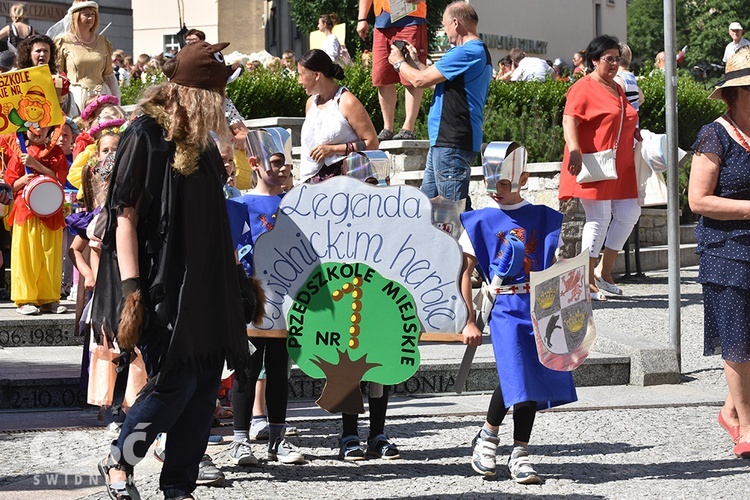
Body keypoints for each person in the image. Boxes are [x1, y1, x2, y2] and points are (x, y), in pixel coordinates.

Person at [92, 40, 256, 500]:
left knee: (204, 390)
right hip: (163, 283)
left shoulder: (202, 145)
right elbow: (124, 216)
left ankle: (180, 487)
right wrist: (132, 292)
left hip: (207, 285)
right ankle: (120, 461)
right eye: (218, 94)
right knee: (172, 384)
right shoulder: (144, 134)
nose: (224, 102)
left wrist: (235, 279)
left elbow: (211, 221)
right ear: (198, 94)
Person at [459, 143, 577, 484]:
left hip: (540, 307)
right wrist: (469, 318)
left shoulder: (545, 217)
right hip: (504, 308)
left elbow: (564, 266)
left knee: (531, 377)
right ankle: (489, 438)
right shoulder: (480, 221)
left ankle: (519, 450)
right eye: (492, 183)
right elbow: (464, 272)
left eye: (506, 183)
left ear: (523, 178)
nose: (497, 191)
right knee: (517, 372)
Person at [227, 130, 304, 466]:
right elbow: (232, 251)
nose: (283, 168)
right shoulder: (239, 204)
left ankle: (278, 438)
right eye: (275, 162)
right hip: (251, 299)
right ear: (255, 163)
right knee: (247, 370)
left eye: (285, 162)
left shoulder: (296, 205)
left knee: (278, 369)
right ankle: (240, 440)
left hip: (286, 300)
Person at [688, 48, 750, 459]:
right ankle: (746, 425)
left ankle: (730, 409)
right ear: (737, 93)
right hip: (726, 251)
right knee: (739, 340)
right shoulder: (715, 134)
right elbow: (698, 200)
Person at [388, 1, 492, 209]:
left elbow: (419, 81)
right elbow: (433, 79)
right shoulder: (474, 51)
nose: (445, 32)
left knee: (451, 213)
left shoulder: (466, 51)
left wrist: (399, 63)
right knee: (429, 210)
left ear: (455, 22)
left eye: (444, 26)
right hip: (446, 141)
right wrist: (416, 63)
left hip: (451, 141)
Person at [559, 34, 640, 301]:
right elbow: (569, 118)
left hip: (619, 163)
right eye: (609, 59)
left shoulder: (615, 86)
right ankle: (586, 279)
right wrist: (574, 149)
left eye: (617, 58)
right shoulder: (583, 87)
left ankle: (603, 273)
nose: (615, 63)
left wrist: (636, 134)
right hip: (593, 161)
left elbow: (622, 117)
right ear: (594, 61)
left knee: (629, 212)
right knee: (599, 218)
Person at [4, 127, 70, 315]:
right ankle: (25, 299)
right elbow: (10, 187)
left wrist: (37, 165)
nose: (39, 130)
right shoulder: (20, 152)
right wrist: (23, 180)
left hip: (51, 211)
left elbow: (60, 180)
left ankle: (49, 298)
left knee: (50, 256)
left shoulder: (56, 153)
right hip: (26, 212)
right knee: (27, 255)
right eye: (34, 126)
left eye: (42, 125)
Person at [297, 48, 378, 183]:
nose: (299, 81)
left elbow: (372, 143)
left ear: (317, 75)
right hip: (311, 183)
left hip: (344, 184)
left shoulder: (347, 102)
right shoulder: (310, 104)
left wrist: (333, 149)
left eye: (301, 75)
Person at [357, 0, 427, 141]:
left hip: (411, 16)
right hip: (382, 21)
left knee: (412, 74)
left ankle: (409, 128)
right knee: (382, 76)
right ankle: (387, 128)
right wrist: (362, 18)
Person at [55, 1, 119, 114]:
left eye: (93, 14)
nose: (90, 18)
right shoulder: (63, 42)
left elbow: (108, 75)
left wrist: (116, 102)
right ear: (76, 16)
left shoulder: (103, 42)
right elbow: (58, 75)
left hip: (102, 96)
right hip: (76, 97)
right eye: (86, 14)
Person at [614, 43, 644, 112]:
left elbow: (614, 104)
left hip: (623, 122)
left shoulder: (618, 78)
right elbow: (641, 99)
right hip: (634, 122)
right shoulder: (631, 78)